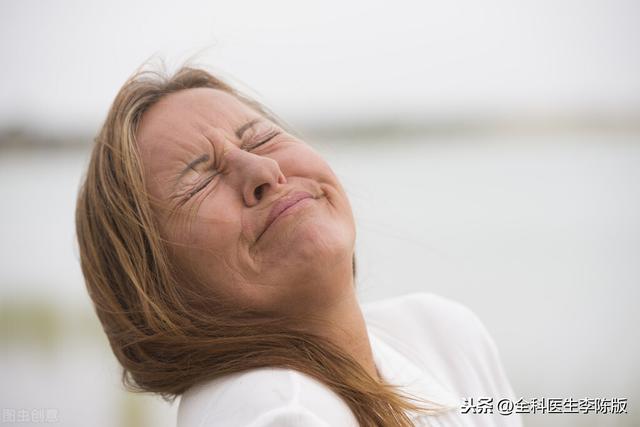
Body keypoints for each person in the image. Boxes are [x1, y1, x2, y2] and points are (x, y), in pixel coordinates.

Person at [75, 64, 523, 427]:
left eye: (261, 138)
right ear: (154, 287)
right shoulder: (268, 410)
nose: (264, 171)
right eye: (199, 179)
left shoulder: (442, 333)